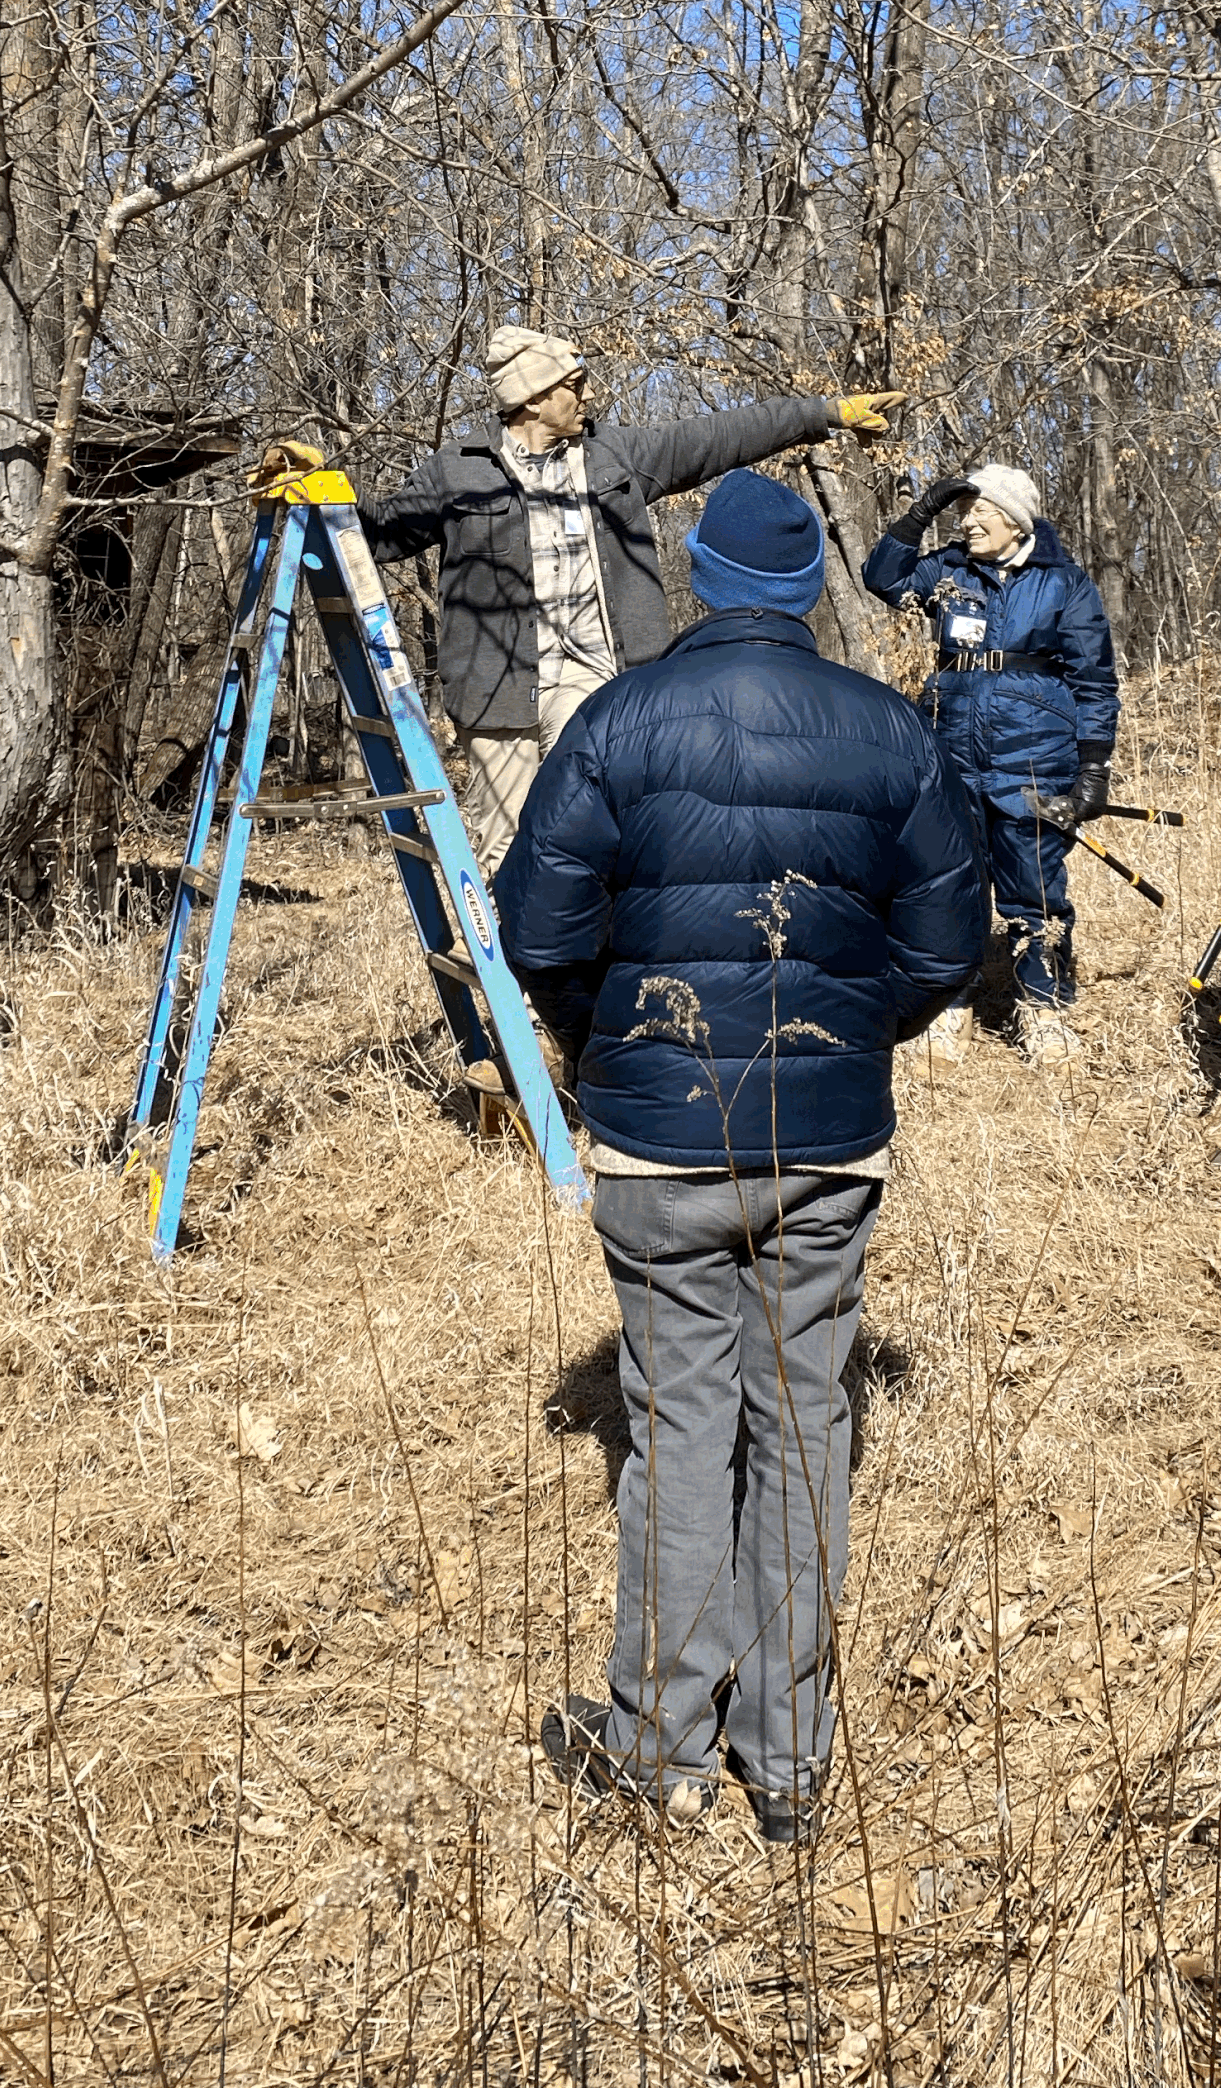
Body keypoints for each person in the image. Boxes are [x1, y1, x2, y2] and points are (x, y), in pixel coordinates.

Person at [496, 470, 981, 1846]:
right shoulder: (890, 731)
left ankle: (659, 1749)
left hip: (657, 1150)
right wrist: (846, 1036)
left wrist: (614, 1048)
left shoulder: (620, 719)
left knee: (680, 1430)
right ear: (808, 587)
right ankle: (787, 1759)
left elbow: (537, 927)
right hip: (826, 1148)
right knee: (805, 1425)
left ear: (701, 577)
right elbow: (951, 942)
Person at [360, 326, 898, 865]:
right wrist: (320, 485)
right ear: (532, 398)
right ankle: (517, 949)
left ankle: (594, 946)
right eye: (576, 383)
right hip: (498, 694)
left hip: (597, 679)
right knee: (508, 850)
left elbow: (721, 434)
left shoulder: (615, 458)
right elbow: (384, 532)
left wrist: (824, 414)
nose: (589, 394)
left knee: (596, 835)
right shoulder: (459, 471)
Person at [860, 460, 1118, 1065]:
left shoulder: (1063, 585)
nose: (969, 522)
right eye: (965, 511)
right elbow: (880, 576)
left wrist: (1095, 768)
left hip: (1034, 763)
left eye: (982, 512)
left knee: (1035, 889)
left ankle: (1044, 1009)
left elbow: (1095, 682)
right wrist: (920, 512)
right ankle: (952, 1006)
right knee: (953, 886)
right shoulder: (950, 572)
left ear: (1016, 522)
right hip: (954, 756)